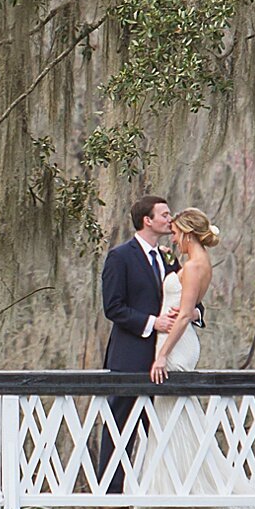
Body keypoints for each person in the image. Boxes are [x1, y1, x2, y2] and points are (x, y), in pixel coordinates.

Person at [141, 207, 227, 496]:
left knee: (170, 413)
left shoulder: (192, 267)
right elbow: (189, 312)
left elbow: (184, 314)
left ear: (188, 233)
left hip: (177, 346)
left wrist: (163, 354)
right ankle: (175, 482)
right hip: (179, 339)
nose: (174, 239)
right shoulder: (199, 262)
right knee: (174, 415)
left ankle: (173, 487)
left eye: (177, 234)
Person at [96, 194, 174, 493]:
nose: (170, 219)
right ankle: (111, 496)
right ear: (148, 220)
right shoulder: (120, 257)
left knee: (162, 427)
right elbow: (113, 307)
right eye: (165, 214)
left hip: (165, 359)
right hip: (129, 356)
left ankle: (160, 492)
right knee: (119, 427)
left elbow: (189, 298)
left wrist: (191, 314)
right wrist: (154, 322)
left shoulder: (168, 257)